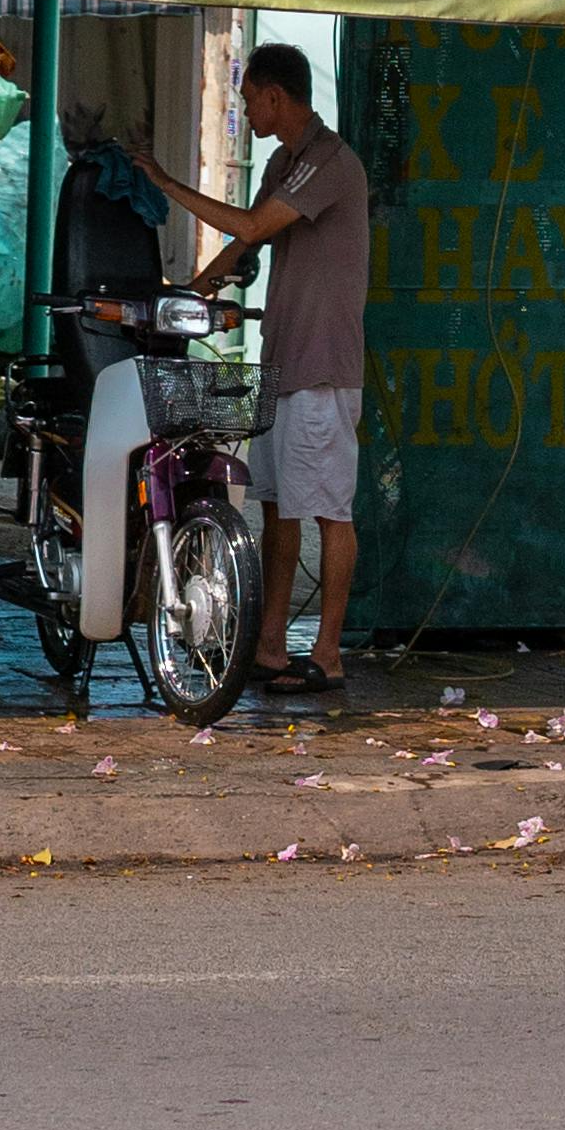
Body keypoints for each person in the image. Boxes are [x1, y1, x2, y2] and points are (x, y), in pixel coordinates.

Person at [132, 44, 372, 702]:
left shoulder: (330, 162)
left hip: (323, 364)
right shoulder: (282, 162)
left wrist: (164, 182)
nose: (246, 109)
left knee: (327, 509)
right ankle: (269, 645)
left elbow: (248, 224)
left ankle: (327, 654)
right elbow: (243, 245)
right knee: (278, 506)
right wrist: (192, 290)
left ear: (276, 96)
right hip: (284, 358)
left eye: (250, 99)